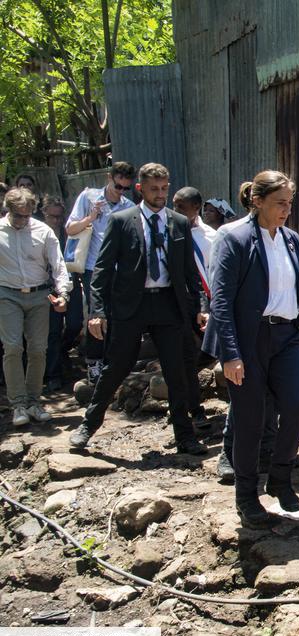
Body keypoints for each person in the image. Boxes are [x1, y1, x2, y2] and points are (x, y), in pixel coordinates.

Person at [68, 163, 205, 455]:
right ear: (141, 189)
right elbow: (102, 269)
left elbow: (190, 271)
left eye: (164, 188)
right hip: (131, 304)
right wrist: (97, 311)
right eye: (154, 189)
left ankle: (185, 436)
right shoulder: (122, 221)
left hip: (168, 304)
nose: (160, 194)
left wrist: (199, 306)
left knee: (177, 371)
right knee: (116, 367)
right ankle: (88, 425)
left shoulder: (178, 222)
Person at [203, 170, 299, 528]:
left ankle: (279, 478)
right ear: (258, 201)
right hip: (248, 340)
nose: (286, 210)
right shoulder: (233, 237)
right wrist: (230, 354)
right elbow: (221, 300)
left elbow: (295, 292)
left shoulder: (291, 239)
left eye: (289, 203)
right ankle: (246, 497)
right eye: (280, 203)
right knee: (250, 421)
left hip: (287, 336)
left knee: (297, 407)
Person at [208, 184, 278, 484]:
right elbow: (220, 289)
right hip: (239, 328)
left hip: (272, 328)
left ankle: (268, 448)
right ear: (257, 202)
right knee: (243, 395)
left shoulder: (279, 236)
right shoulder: (231, 235)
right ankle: (229, 453)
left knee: (270, 392)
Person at [0, 187, 71, 426]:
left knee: (38, 349)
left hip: (39, 295)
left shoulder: (43, 231)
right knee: (12, 347)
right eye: (17, 215)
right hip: (6, 294)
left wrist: (63, 293)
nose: (22, 220)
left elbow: (58, 264)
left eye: (27, 215)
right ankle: (18, 404)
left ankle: (33, 401)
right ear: (7, 210)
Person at [65, 162, 137, 384]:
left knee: (117, 315)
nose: (120, 191)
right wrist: (90, 218)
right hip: (93, 267)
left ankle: (112, 362)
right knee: (97, 314)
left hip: (119, 269)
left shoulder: (128, 206)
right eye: (118, 186)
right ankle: (94, 362)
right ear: (109, 178)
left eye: (126, 188)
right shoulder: (88, 198)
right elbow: (70, 229)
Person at [171, 187, 215, 430]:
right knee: (185, 356)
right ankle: (194, 409)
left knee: (215, 350)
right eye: (174, 205)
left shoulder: (210, 237)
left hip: (209, 305)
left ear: (195, 208)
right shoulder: (169, 231)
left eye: (181, 206)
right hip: (181, 305)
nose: (175, 210)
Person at [41, 196, 84, 393]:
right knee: (53, 331)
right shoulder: (39, 233)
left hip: (70, 284)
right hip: (48, 287)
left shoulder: (69, 234)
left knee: (75, 323)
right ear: (44, 214)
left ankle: (62, 351)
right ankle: (53, 375)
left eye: (59, 216)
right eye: (52, 216)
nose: (56, 220)